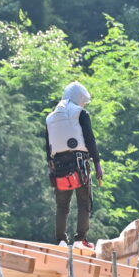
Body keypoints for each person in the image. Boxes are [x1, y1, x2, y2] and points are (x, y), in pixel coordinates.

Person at [46, 81, 103, 247]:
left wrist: (51, 166)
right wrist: (98, 163)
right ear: (79, 98)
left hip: (58, 167)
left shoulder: (50, 118)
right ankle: (80, 239)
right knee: (84, 202)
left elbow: (47, 146)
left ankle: (61, 240)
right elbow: (90, 140)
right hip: (80, 165)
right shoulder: (81, 113)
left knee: (62, 206)